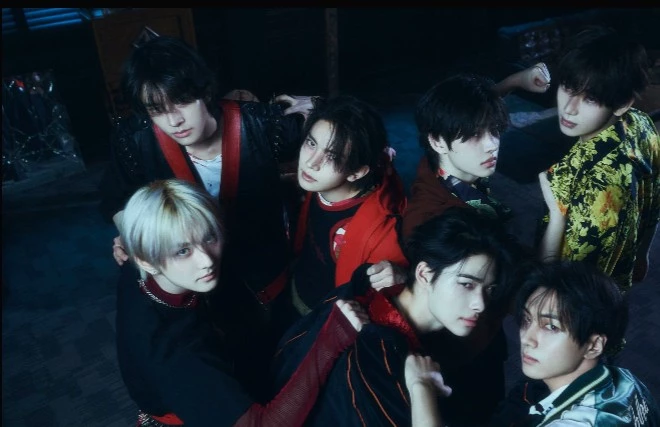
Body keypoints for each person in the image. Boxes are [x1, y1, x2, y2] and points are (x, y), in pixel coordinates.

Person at [98, 36, 307, 394]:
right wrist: (134, 233)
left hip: (262, 269)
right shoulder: (134, 140)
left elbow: (340, 137)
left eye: (182, 101)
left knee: (277, 368)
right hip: (189, 280)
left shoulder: (262, 125)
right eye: (157, 109)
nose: (174, 120)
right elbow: (117, 197)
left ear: (205, 90)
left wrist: (315, 108)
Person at [115, 178, 369, 426]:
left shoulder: (136, 263)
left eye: (209, 237)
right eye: (183, 251)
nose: (207, 260)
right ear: (145, 261)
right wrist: (331, 340)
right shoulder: (175, 353)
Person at [271, 206, 520, 426]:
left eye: (489, 290)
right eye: (467, 284)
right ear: (424, 274)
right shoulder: (375, 355)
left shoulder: (373, 294)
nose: (480, 304)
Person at [537, 26, 659, 291]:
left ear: (623, 104)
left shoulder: (594, 188)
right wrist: (641, 254)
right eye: (568, 87)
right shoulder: (641, 123)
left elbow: (553, 282)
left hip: (580, 300)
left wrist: (557, 215)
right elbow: (653, 196)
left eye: (590, 99)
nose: (569, 108)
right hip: (617, 277)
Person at [285, 94, 408, 326]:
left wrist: (404, 279)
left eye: (331, 156)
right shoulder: (320, 181)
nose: (311, 163)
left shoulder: (382, 233)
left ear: (357, 172)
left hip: (327, 319)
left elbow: (390, 308)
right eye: (311, 143)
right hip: (297, 284)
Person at [490, 260, 660, 426]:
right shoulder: (627, 380)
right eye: (527, 320)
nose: (526, 338)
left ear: (593, 346)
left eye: (551, 327)